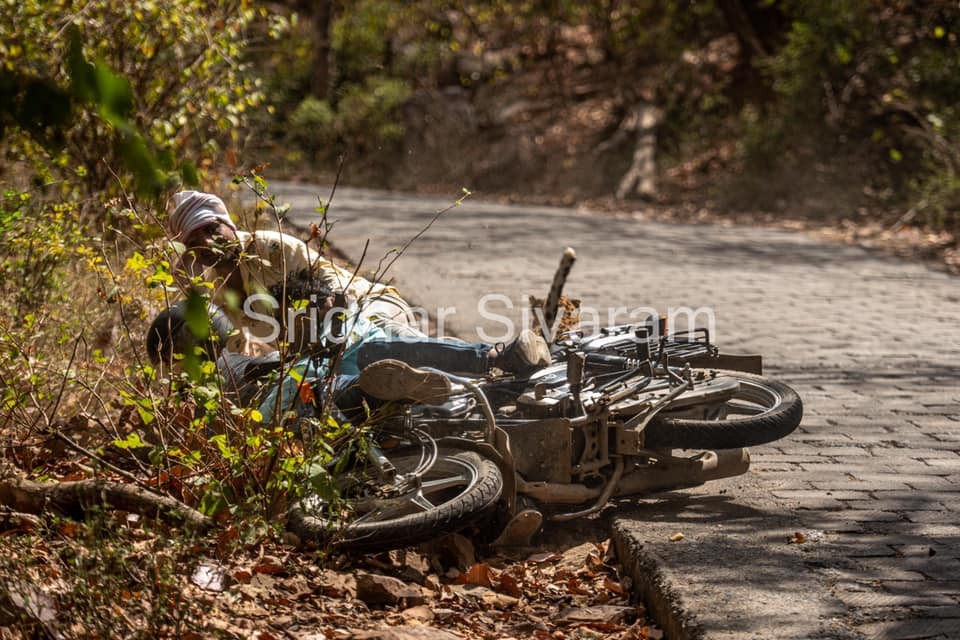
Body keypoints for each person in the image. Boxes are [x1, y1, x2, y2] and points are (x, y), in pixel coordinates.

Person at [166, 190, 417, 355]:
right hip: (325, 347)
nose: (208, 243)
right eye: (194, 241)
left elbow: (329, 278)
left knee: (381, 339)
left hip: (369, 304)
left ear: (228, 224)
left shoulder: (269, 247)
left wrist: (336, 305)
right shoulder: (215, 290)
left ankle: (442, 358)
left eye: (211, 229)